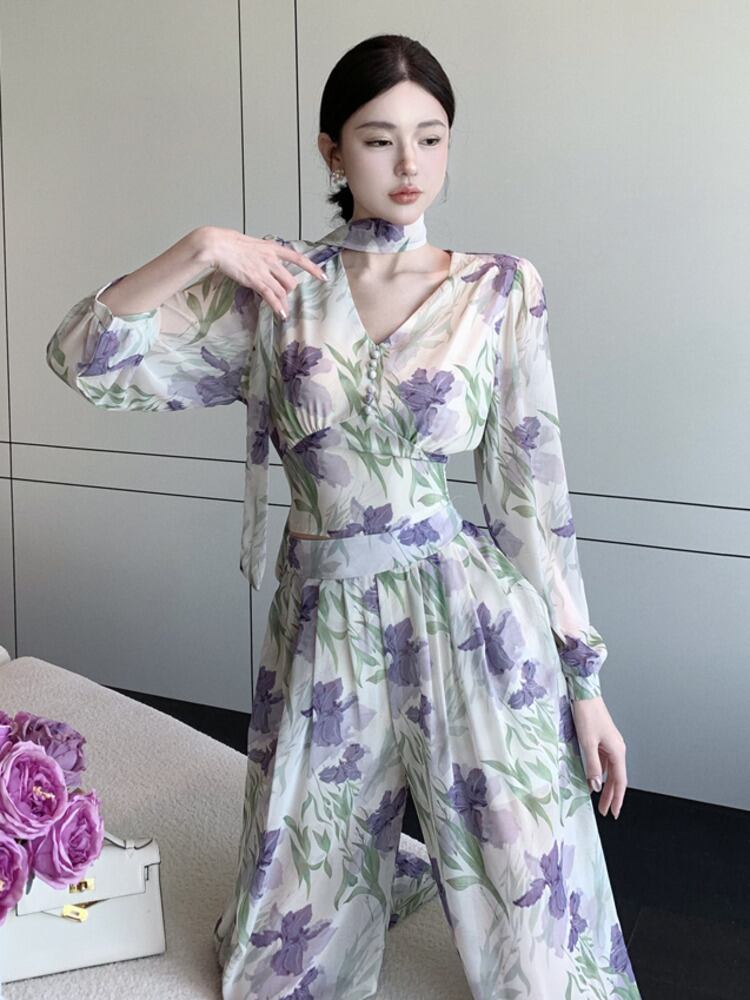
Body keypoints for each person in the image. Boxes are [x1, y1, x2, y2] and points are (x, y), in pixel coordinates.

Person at [46, 32, 640, 1000]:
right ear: (332, 152)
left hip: (468, 619)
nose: (410, 164)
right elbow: (83, 356)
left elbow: (533, 497)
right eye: (378, 139)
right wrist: (202, 248)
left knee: (547, 966)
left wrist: (586, 683)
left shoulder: (498, 289)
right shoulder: (277, 290)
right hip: (326, 621)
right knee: (284, 972)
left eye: (431, 138)